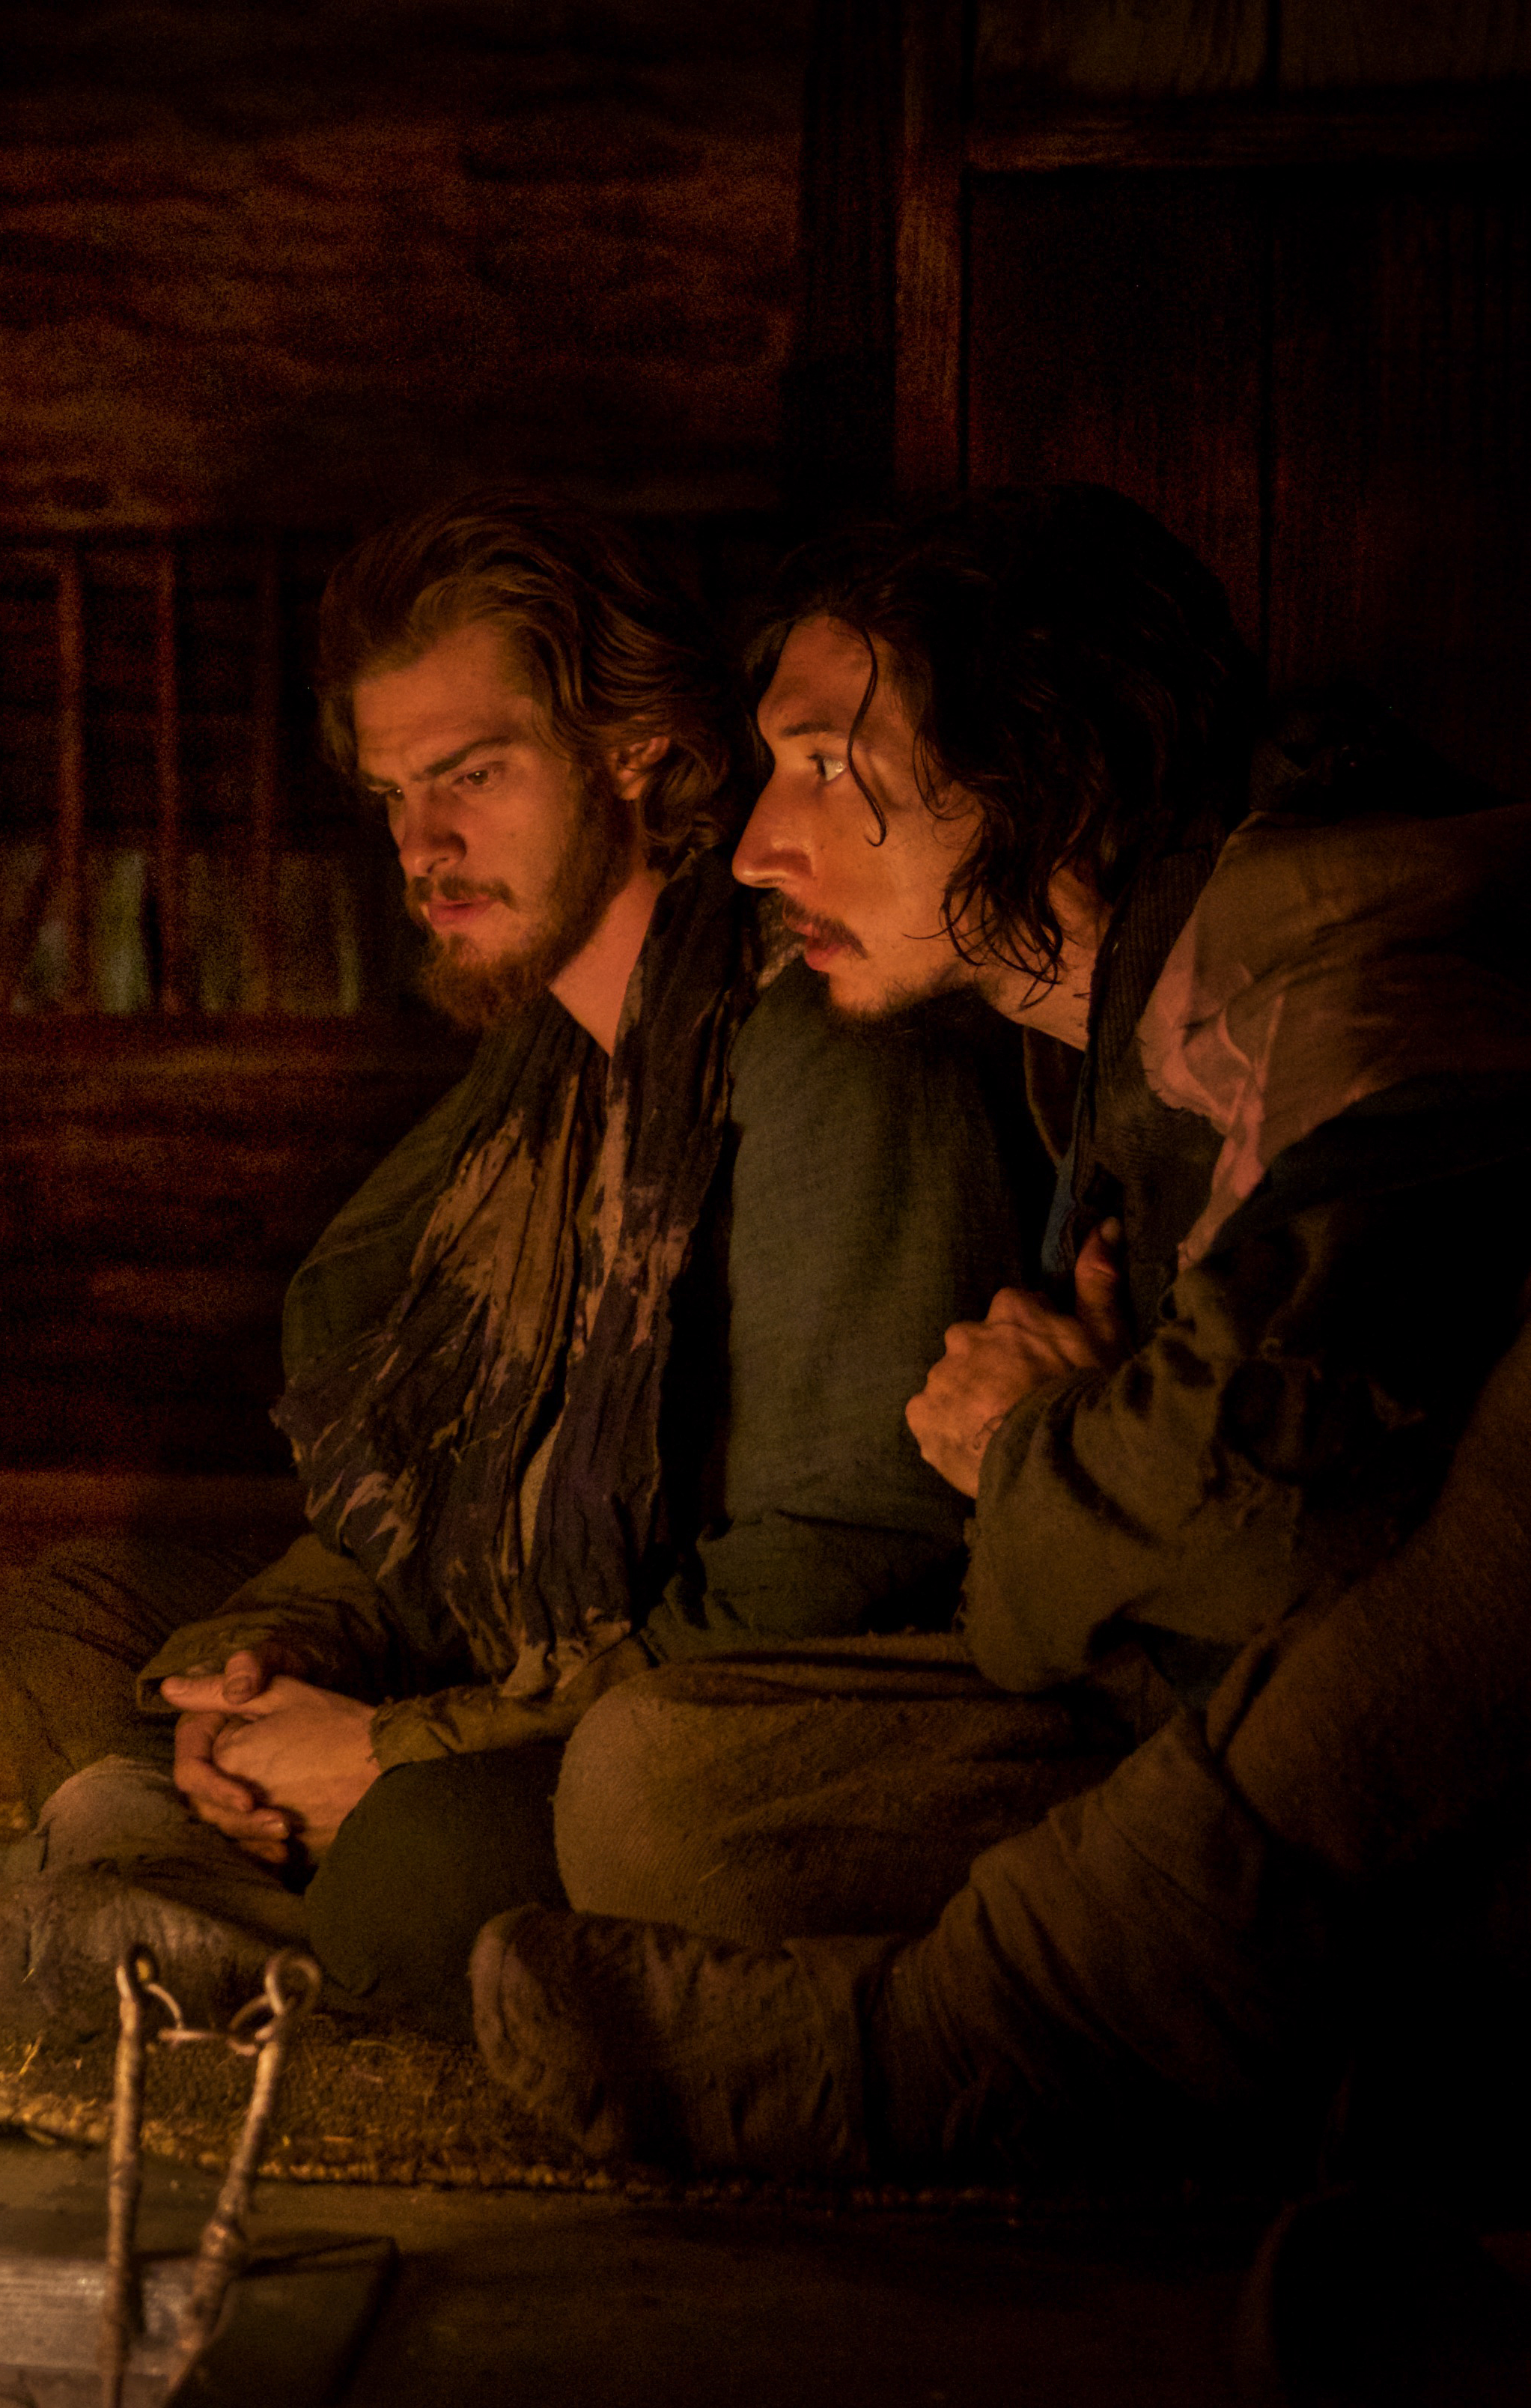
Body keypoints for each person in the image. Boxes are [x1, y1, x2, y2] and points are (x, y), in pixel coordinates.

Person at [472, 484, 1531, 2182]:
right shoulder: (1101, 1031)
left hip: (1413, 1769)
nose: (755, 845)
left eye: (827, 765)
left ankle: (1001, 2046)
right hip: (1189, 1711)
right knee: (658, 1792)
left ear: (1052, 766)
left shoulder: (1316, 960)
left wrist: (1018, 1448)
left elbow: (1281, 1532)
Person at [0, 491, 1036, 2043]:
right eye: (396, 792)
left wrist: (397, 1746)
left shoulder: (813, 1040)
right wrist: (273, 1666)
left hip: (707, 1680)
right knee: (83, 1615)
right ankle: (184, 1865)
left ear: (637, 753)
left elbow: (835, 1560)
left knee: (444, 1856)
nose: (421, 846)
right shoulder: (542, 1065)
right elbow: (426, 1471)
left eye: (474, 776)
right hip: (514, 1639)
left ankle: (201, 1894)